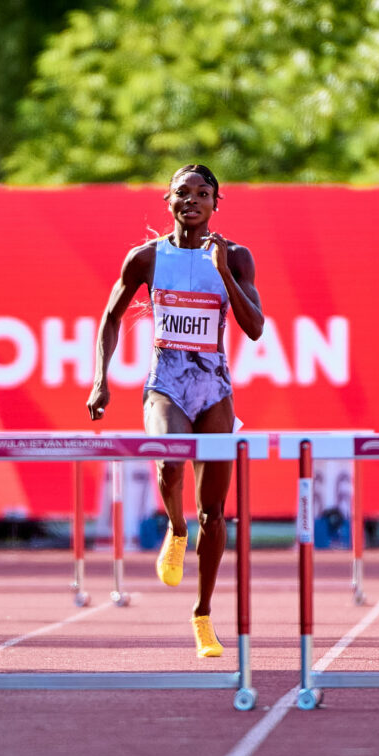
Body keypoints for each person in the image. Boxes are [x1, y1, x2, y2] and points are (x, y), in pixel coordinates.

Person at [87, 164, 264, 657]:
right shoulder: (145, 258)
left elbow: (255, 328)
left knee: (215, 511)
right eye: (182, 193)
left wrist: (224, 270)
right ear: (167, 202)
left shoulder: (237, 256)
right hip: (165, 383)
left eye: (202, 193)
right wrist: (102, 380)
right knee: (169, 459)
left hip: (214, 388)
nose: (192, 200)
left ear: (215, 204)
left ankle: (203, 614)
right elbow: (110, 317)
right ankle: (175, 526)